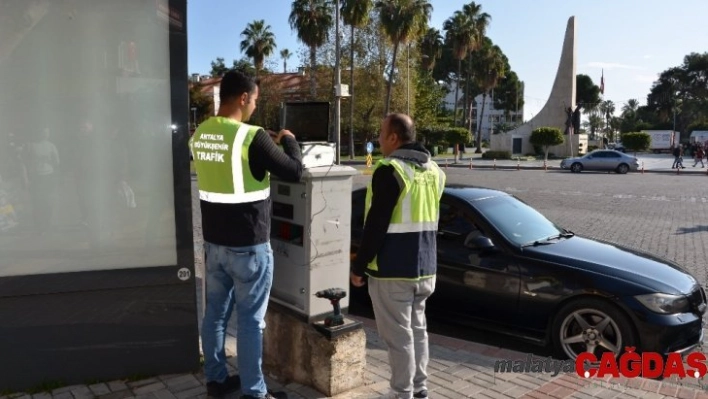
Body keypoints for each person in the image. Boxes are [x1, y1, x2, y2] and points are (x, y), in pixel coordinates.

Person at [190, 70, 302, 399]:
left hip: (214, 246)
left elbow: (225, 159)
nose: (254, 106)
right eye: (254, 100)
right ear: (243, 98)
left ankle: (216, 380)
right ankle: (255, 392)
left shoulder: (199, 135)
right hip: (249, 248)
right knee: (251, 321)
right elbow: (294, 170)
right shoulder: (253, 136)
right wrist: (289, 139)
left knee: (215, 315)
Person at [350, 113, 445, 399]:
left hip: (392, 270)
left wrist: (359, 266)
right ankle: (419, 388)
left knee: (399, 338)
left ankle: (401, 392)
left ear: (394, 137)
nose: (378, 139)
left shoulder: (390, 170)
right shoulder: (435, 171)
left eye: (381, 133)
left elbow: (376, 225)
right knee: (418, 331)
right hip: (426, 268)